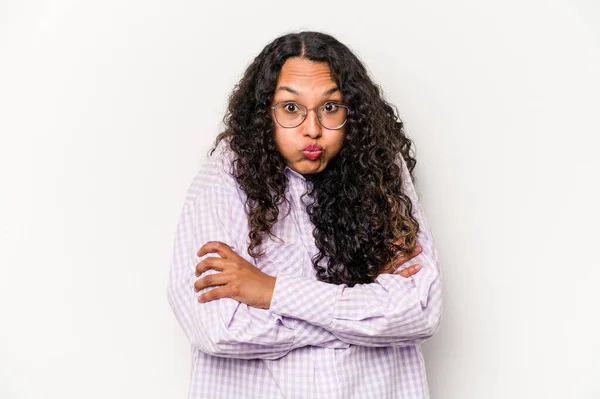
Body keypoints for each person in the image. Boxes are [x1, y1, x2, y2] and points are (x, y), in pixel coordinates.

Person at [167, 31, 443, 398]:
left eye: (330, 107)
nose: (312, 130)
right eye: (291, 108)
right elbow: (218, 328)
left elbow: (420, 311)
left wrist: (270, 291)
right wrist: (364, 317)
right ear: (265, 111)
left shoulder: (380, 170)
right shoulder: (223, 178)